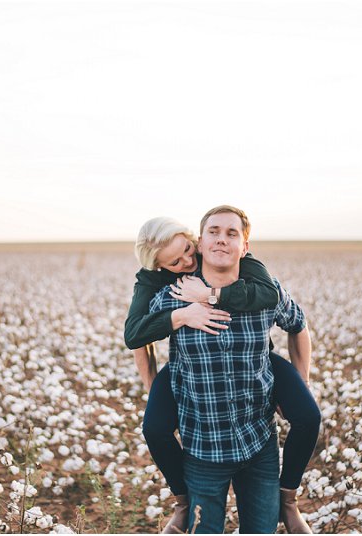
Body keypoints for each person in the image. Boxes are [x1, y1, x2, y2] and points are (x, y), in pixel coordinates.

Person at [125, 212, 319, 533]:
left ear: (244, 246)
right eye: (213, 231)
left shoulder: (266, 291)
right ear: (202, 241)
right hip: (204, 448)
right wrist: (156, 386)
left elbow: (299, 325)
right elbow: (137, 336)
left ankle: (288, 500)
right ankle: (183, 503)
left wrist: (300, 382)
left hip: (258, 445)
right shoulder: (172, 295)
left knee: (308, 417)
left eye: (231, 233)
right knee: (155, 428)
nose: (220, 239)